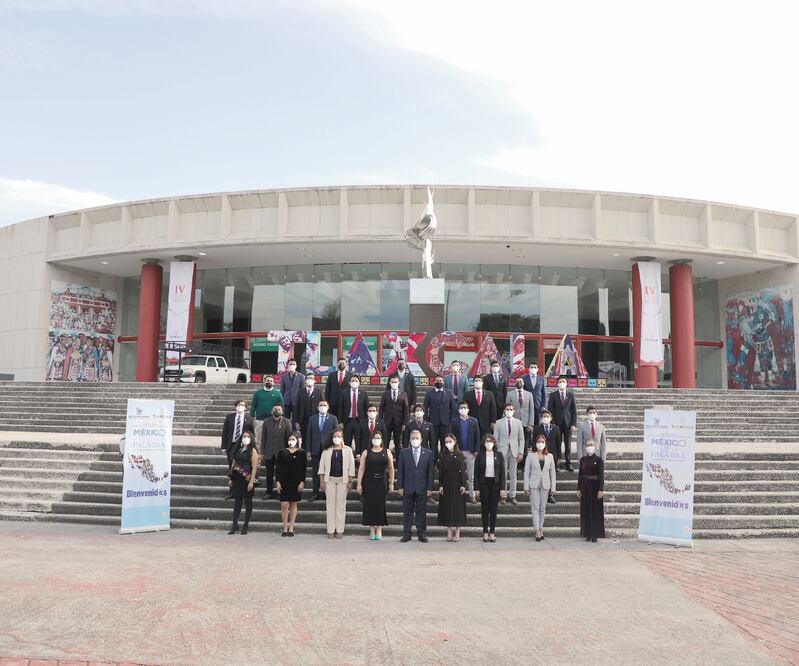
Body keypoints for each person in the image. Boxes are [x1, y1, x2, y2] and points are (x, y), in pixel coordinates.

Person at [396, 430, 434, 542]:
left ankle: (421, 533)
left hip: (422, 487)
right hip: (408, 487)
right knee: (407, 512)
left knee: (421, 512)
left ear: (421, 439)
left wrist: (429, 488)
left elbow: (430, 473)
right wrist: (400, 486)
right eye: (412, 438)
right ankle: (407, 533)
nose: (414, 440)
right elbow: (400, 471)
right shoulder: (404, 453)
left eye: (417, 438)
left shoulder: (428, 453)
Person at [356, 431, 395, 540]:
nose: (376, 440)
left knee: (380, 505)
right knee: (369, 505)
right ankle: (372, 528)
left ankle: (379, 528)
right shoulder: (366, 452)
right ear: (371, 439)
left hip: (381, 482)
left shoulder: (387, 452)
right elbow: (361, 468)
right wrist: (359, 484)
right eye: (375, 438)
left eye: (378, 438)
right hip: (368, 482)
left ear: (382, 439)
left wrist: (391, 483)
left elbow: (391, 468)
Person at [318, 427, 355, 539]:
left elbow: (351, 467)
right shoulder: (326, 450)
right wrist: (322, 481)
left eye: (339, 436)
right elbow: (322, 467)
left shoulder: (348, 450)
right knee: (330, 505)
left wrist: (350, 481)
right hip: (329, 481)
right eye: (335, 436)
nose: (336, 438)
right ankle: (330, 530)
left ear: (342, 438)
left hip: (342, 481)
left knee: (341, 505)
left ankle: (339, 530)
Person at [523, 433, 556, 541]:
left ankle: (541, 528)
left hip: (545, 484)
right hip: (533, 484)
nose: (540, 444)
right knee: (535, 507)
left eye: (542, 442)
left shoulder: (550, 456)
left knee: (542, 508)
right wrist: (526, 487)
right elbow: (526, 471)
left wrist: (553, 487)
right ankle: (537, 529)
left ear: (545, 444)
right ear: (535, 443)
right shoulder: (530, 455)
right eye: (538, 442)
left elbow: (553, 473)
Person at [474, 434, 506, 542]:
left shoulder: (499, 455)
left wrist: (502, 488)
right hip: (484, 484)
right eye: (487, 441)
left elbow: (502, 473)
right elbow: (476, 472)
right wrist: (476, 488)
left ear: (494, 443)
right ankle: (485, 532)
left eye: (491, 441)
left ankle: (492, 532)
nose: (489, 443)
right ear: (484, 443)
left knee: (493, 508)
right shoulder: (480, 455)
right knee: (485, 508)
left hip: (495, 484)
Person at [221, 399, 255, 498]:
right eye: (239, 405)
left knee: (242, 468)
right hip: (231, 445)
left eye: (242, 405)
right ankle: (232, 491)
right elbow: (224, 432)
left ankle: (242, 490)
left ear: (245, 407)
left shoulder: (248, 419)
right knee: (232, 468)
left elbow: (252, 434)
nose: (240, 406)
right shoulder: (229, 417)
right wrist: (223, 446)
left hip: (243, 445)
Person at [304, 399, 338, 500]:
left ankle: (327, 492)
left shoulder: (333, 418)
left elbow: (336, 435)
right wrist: (308, 450)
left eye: (324, 405)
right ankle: (315, 492)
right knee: (316, 472)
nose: (322, 407)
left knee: (329, 471)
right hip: (315, 449)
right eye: (320, 405)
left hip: (328, 449)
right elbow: (308, 435)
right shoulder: (312, 419)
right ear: (318, 407)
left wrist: (335, 448)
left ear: (328, 407)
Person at [437, 433, 467, 541]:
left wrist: (463, 484)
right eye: (446, 442)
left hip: (457, 482)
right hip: (446, 482)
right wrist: (441, 485)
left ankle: (458, 531)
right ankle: (449, 530)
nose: (448, 444)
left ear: (454, 442)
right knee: (447, 506)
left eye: (450, 441)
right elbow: (440, 472)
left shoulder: (460, 455)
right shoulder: (443, 455)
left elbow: (463, 471)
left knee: (457, 507)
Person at [493, 403, 525, 505]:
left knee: (513, 475)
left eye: (511, 409)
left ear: (514, 410)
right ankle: (503, 495)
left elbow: (521, 439)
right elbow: (495, 439)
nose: (509, 411)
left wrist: (520, 452)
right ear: (504, 410)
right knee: (503, 475)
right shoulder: (498, 423)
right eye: (507, 409)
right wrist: (497, 451)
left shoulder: (518, 423)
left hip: (514, 451)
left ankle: (513, 495)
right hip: (502, 451)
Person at [228, 430, 258, 535]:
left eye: (247, 436)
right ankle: (234, 524)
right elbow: (233, 463)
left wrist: (251, 482)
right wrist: (231, 478)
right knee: (237, 502)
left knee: (248, 502)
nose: (245, 438)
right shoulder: (238, 449)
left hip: (247, 478)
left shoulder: (253, 451)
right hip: (237, 478)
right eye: (244, 436)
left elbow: (254, 467)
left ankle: (245, 525)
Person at [276, 433, 306, 536]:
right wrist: (277, 481)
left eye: (293, 439)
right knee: (284, 504)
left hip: (296, 481)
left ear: (297, 440)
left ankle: (291, 527)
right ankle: (285, 527)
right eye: (289, 439)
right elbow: (278, 467)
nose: (291, 441)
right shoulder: (282, 452)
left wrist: (302, 482)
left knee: (293, 504)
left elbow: (303, 468)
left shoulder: (301, 453)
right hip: (284, 480)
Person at [450, 402, 481, 504]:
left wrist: (476, 450)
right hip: (458, 452)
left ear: (468, 409)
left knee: (471, 476)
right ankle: (458, 495)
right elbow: (452, 437)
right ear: (458, 410)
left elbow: (477, 436)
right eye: (461, 408)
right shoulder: (454, 421)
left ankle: (472, 495)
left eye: (465, 408)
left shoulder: (474, 421)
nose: (463, 409)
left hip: (470, 452)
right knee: (458, 475)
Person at [423, 377, 457, 465]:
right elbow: (425, 408)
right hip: (433, 422)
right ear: (434, 382)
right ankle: (433, 462)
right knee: (433, 443)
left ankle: (443, 461)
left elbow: (453, 408)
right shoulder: (429, 393)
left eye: (440, 381)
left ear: (443, 382)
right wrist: (426, 421)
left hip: (445, 422)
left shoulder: (449, 393)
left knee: (445, 443)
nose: (439, 382)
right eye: (437, 381)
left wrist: (451, 421)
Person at [546, 376, 578, 472]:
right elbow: (550, 411)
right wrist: (552, 424)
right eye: (560, 381)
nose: (562, 383)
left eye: (563, 381)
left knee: (568, 444)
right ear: (557, 384)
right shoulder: (553, 395)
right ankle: (557, 463)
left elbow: (574, 411)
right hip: (556, 424)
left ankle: (568, 463)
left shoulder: (571, 395)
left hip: (568, 424)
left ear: (566, 383)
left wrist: (573, 424)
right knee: (557, 444)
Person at [260, 405, 291, 499]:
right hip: (269, 452)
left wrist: (288, 452)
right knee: (269, 473)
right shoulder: (266, 422)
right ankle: (268, 492)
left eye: (279, 409)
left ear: (282, 411)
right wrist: (262, 452)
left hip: (281, 452)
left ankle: (279, 492)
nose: (276, 411)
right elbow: (263, 438)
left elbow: (289, 438)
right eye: (274, 409)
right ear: (271, 411)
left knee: (280, 473)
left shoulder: (287, 422)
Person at [577, 440, 605, 542]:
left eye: (591, 445)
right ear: (585, 447)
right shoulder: (583, 460)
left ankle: (595, 534)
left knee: (595, 510)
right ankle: (587, 533)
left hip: (595, 487)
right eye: (588, 445)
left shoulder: (599, 460)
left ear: (595, 446)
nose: (590, 447)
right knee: (586, 510)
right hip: (585, 487)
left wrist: (600, 489)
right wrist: (578, 488)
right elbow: (580, 475)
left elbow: (601, 476)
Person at [532, 409, 561, 504]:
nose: (546, 418)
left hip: (553, 455)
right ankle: (540, 494)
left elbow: (558, 444)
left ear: (551, 418)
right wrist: (534, 454)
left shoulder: (556, 428)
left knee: (551, 475)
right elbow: (533, 442)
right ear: (541, 418)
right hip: (540, 454)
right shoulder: (537, 428)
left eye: (547, 416)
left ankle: (550, 495)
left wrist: (559, 457)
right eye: (544, 416)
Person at [378, 377, 409, 455]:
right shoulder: (385, 394)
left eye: (395, 382)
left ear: (398, 383)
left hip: (398, 422)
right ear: (390, 383)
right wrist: (380, 421)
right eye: (392, 382)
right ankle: (385, 460)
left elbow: (406, 409)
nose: (394, 383)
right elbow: (381, 408)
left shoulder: (403, 394)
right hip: (387, 422)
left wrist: (405, 423)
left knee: (398, 443)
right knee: (385, 442)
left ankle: (399, 463)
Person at [339, 374, 369, 453]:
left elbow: (366, 409)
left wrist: (366, 421)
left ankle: (359, 458)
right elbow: (341, 408)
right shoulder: (344, 393)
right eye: (352, 381)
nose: (354, 382)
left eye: (356, 381)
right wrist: (340, 422)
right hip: (347, 421)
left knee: (359, 441)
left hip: (359, 421)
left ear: (359, 382)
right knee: (347, 442)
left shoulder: (364, 394)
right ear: (349, 382)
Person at [250, 376, 284, 443]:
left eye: (271, 381)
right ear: (264, 382)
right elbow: (253, 406)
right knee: (259, 439)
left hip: (273, 420)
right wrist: (252, 417)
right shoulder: (258, 393)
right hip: (260, 420)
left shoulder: (277, 394)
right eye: (268, 380)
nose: (269, 382)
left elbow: (281, 407)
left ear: (274, 383)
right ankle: (260, 453)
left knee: (271, 439)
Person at [506, 378, 535, 451]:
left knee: (524, 443)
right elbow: (507, 408)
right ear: (514, 383)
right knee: (514, 442)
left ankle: (524, 460)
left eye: (521, 381)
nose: (519, 382)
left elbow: (531, 410)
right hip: (514, 422)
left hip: (525, 423)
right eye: (517, 381)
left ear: (524, 383)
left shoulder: (529, 394)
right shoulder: (509, 394)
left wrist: (531, 424)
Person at [294, 373, 322, 439]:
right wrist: (296, 422)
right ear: (305, 380)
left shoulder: (319, 392)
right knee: (304, 439)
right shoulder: (300, 392)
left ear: (314, 381)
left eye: (311, 378)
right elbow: (296, 408)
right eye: (308, 378)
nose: (310, 380)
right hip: (303, 421)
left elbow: (324, 405)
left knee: (315, 438)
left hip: (316, 420)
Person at [279, 358, 303, 423]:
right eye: (290, 364)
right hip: (286, 401)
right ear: (288, 365)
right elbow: (282, 390)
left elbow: (302, 390)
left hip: (296, 401)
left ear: (296, 366)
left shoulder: (301, 376)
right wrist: (281, 402)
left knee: (295, 419)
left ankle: (294, 432)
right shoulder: (284, 377)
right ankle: (286, 432)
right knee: (285, 419)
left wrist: (300, 401)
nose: (292, 365)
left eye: (293, 364)